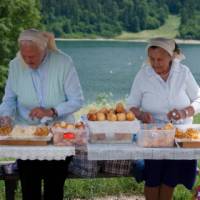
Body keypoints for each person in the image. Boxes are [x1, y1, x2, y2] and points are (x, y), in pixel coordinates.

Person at [0, 29, 84, 200]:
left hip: (59, 136)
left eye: (33, 56)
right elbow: (9, 100)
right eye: (24, 56)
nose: (28, 60)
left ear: (44, 50)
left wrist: (52, 111)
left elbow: (77, 100)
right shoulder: (16, 65)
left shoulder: (63, 62)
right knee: (30, 189)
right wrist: (6, 116)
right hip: (27, 137)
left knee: (54, 189)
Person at [126, 37, 200, 200]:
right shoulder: (143, 75)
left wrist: (185, 112)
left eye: (160, 59)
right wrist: (141, 115)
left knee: (171, 176)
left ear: (171, 57)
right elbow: (130, 105)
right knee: (153, 176)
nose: (155, 63)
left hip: (180, 136)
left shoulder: (183, 73)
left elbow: (198, 98)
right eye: (152, 59)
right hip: (153, 135)